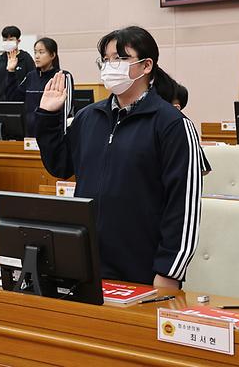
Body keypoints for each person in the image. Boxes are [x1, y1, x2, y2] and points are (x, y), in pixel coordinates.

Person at [35, 26, 209, 287]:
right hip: (87, 261)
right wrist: (48, 117)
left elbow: (183, 204)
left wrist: (169, 271)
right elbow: (60, 165)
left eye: (119, 58)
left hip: (144, 268)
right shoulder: (88, 117)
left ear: (146, 65)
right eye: (106, 59)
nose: (110, 66)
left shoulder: (172, 124)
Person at [5, 37, 73, 135]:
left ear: (53, 55)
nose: (37, 56)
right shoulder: (30, 76)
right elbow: (13, 99)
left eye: (41, 52)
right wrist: (11, 71)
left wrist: (61, 135)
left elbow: (67, 110)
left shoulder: (63, 76)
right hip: (29, 135)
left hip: (52, 135)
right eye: (35, 52)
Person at [0, 26, 35, 100]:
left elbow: (32, 81)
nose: (8, 42)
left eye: (11, 39)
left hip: (19, 103)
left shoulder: (25, 58)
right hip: (0, 104)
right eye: (5, 40)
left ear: (18, 41)